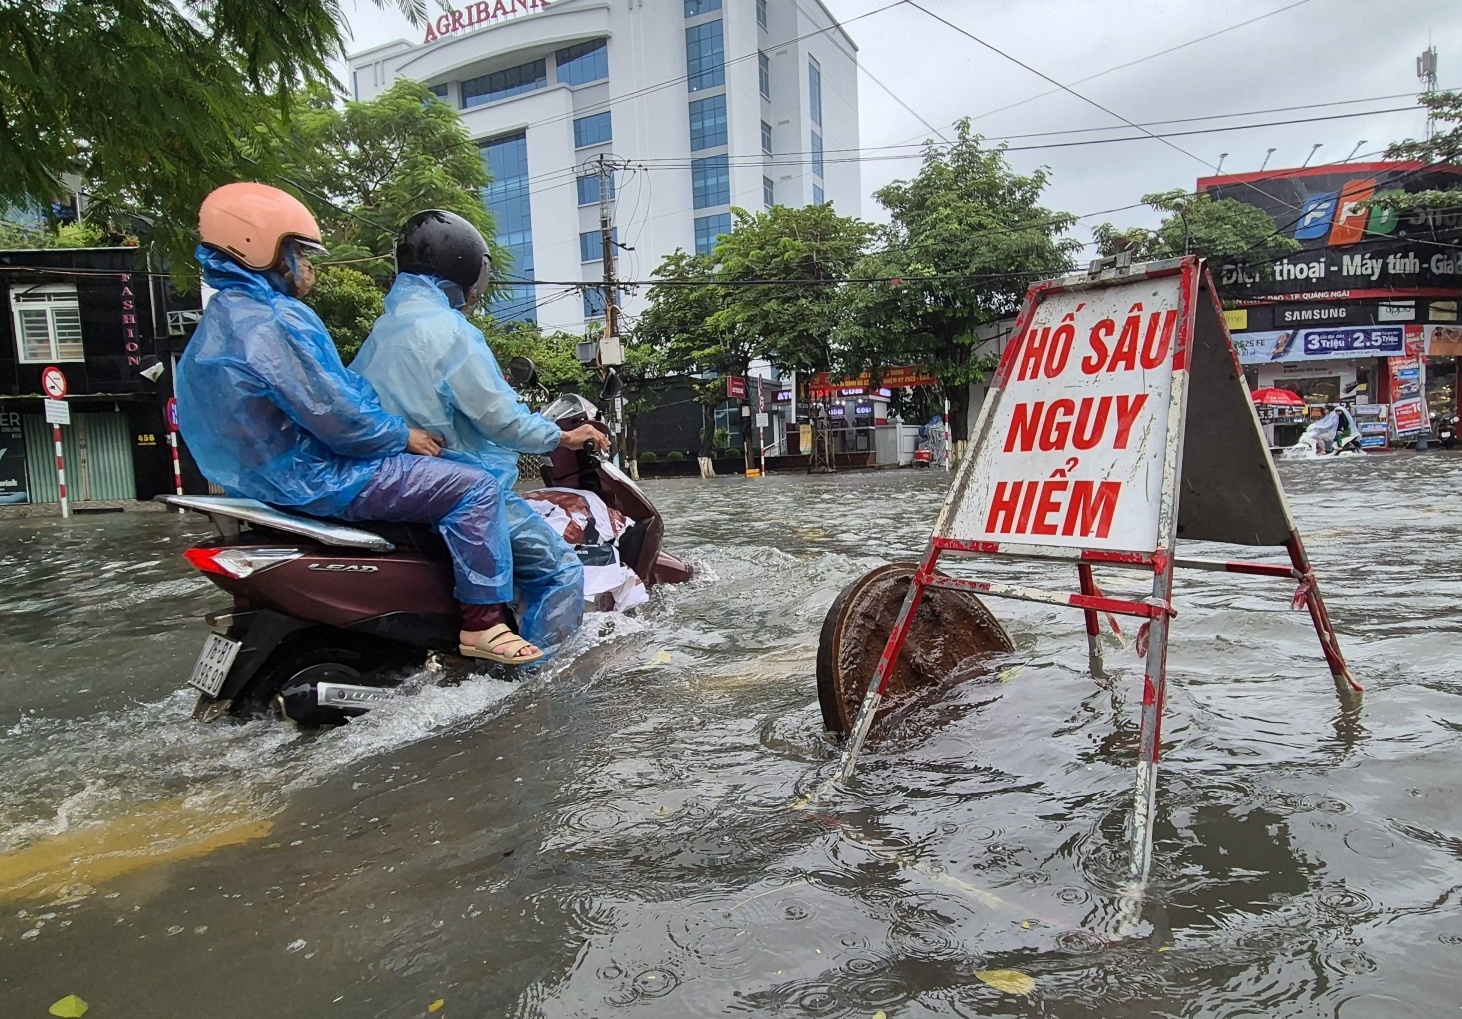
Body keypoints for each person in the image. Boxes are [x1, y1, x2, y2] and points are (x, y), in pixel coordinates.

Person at [175, 183, 541, 665]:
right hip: (322, 474)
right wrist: (400, 434)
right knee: (474, 489)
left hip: (267, 481)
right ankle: (482, 625)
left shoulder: (219, 323)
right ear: (260, 246)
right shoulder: (277, 320)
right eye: (299, 252)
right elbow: (337, 414)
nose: (309, 266)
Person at [352, 209, 599, 648]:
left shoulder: (384, 331)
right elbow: (500, 420)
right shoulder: (449, 331)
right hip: (458, 487)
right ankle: (544, 684)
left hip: (392, 483)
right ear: (468, 267)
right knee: (561, 570)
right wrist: (562, 436)